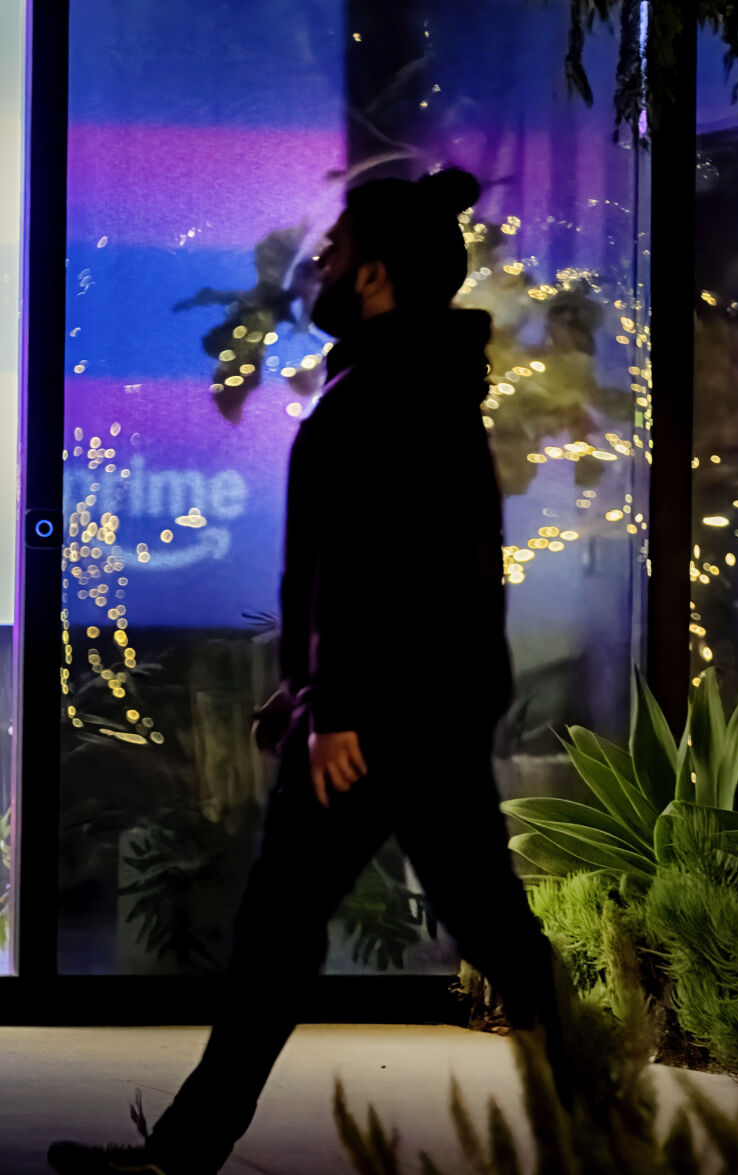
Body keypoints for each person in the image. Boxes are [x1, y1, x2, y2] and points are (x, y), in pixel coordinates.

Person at [49, 167, 574, 1175]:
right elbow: (401, 570)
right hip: (411, 711)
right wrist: (311, 689)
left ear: (374, 275)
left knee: (288, 929)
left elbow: (367, 566)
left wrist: (333, 705)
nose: (320, 265)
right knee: (469, 923)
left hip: (377, 721)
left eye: (335, 252)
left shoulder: (387, 389)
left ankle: (185, 1153)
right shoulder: (413, 379)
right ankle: (607, 1116)